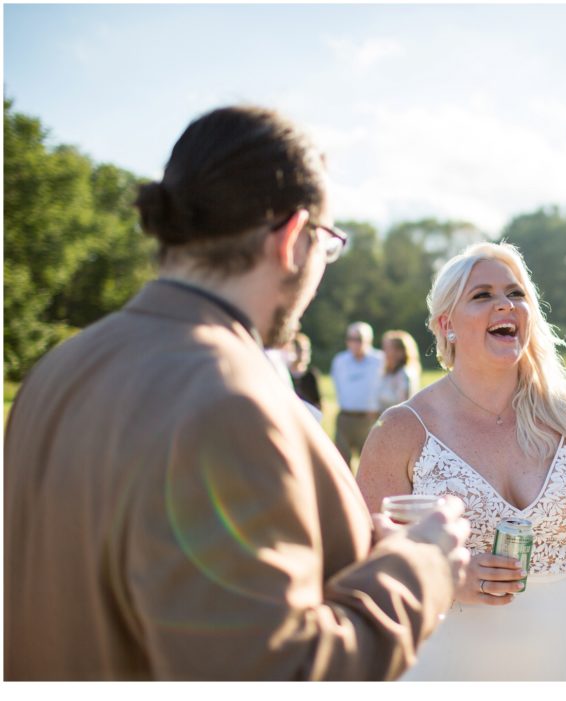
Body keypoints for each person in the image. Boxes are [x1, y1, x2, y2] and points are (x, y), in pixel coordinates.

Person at [3, 106, 470, 680]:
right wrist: (422, 565)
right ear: (294, 238)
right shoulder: (231, 400)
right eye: (328, 245)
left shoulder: (57, 368)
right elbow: (275, 672)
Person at [356, 241, 566, 681]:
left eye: (516, 294)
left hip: (557, 661)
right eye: (483, 295)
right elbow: (359, 550)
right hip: (440, 662)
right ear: (447, 324)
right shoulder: (402, 428)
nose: (505, 305)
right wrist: (442, 576)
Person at [330, 321, 384, 466]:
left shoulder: (380, 360)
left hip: (369, 420)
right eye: (350, 339)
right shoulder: (340, 360)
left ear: (369, 340)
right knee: (341, 465)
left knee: (369, 465)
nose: (354, 343)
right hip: (345, 418)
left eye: (358, 339)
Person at [378, 329, 421, 410]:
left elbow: (404, 406)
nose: (384, 351)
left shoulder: (405, 374)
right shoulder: (387, 372)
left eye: (387, 348)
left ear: (400, 352)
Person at [288, 331, 323, 411]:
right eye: (299, 350)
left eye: (305, 350)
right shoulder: (284, 373)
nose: (303, 353)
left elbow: (318, 403)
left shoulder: (311, 375)